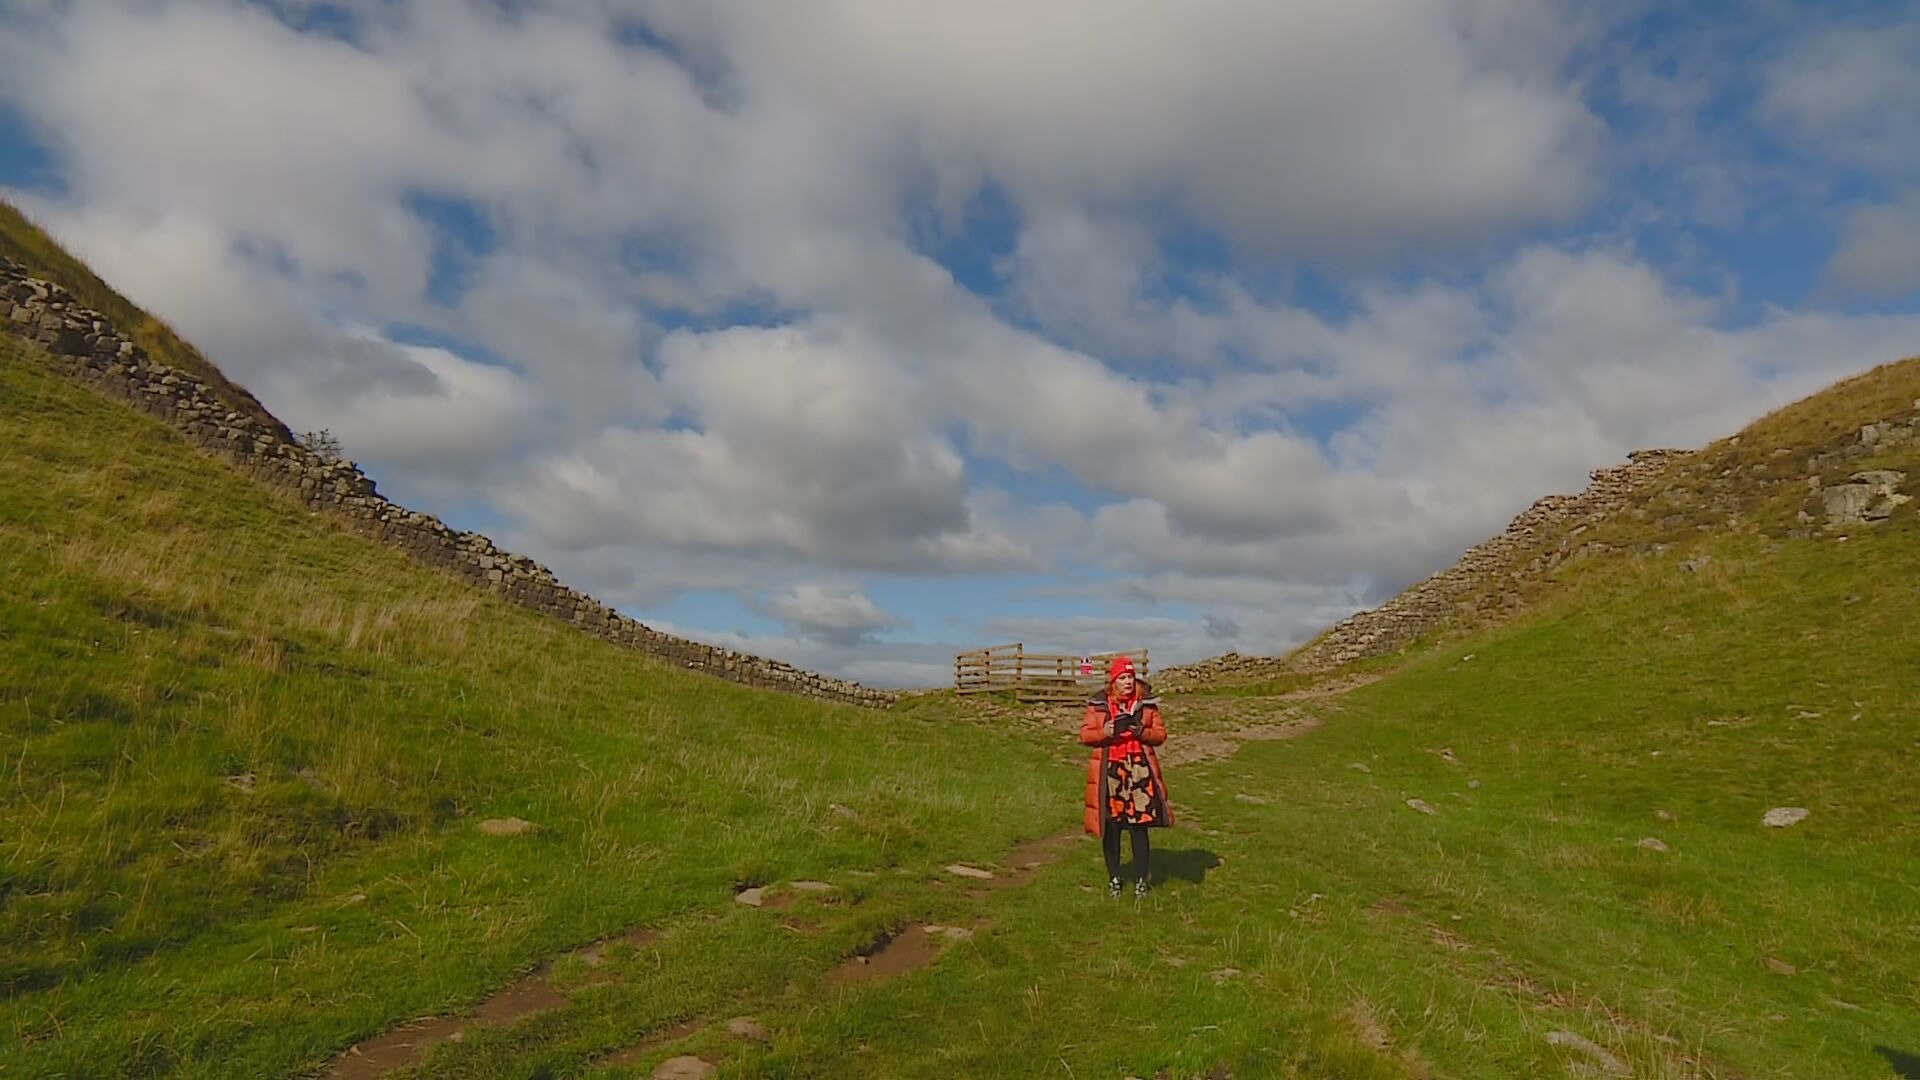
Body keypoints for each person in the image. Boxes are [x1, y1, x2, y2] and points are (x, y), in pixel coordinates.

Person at [1079, 655, 1172, 898]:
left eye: (1130, 677)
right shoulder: (1099, 704)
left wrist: (1141, 731)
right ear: (1113, 681)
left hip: (1139, 771)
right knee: (1112, 827)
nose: (1128, 682)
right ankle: (1114, 879)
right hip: (1111, 771)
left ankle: (1141, 880)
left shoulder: (1147, 704)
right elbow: (1085, 735)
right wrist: (1104, 731)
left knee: (1139, 827)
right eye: (1122, 678)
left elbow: (1160, 735)